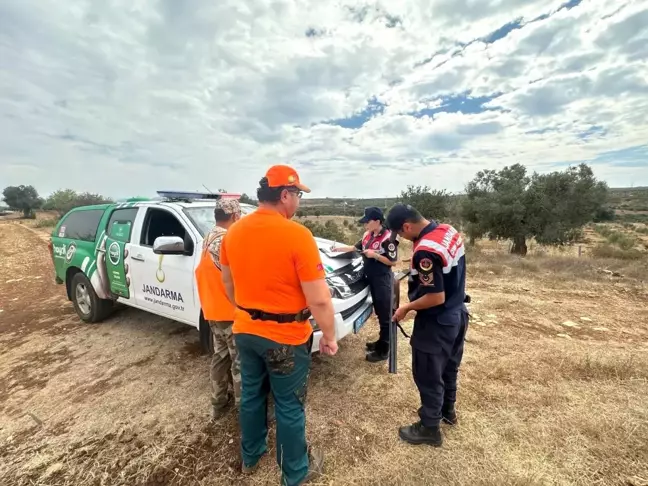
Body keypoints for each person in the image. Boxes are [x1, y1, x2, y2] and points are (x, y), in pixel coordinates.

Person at [220, 165, 338, 486]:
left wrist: (247, 311)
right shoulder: (297, 235)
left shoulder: (234, 233)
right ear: (284, 195)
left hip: (244, 329)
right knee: (289, 405)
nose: (299, 200)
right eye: (297, 194)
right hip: (286, 337)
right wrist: (329, 335)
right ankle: (295, 472)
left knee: (252, 395)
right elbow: (320, 300)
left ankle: (251, 455)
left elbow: (228, 285)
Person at [386, 203, 469, 447]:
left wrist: (406, 308)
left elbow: (435, 296)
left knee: (428, 374)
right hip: (458, 315)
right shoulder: (447, 231)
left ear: (407, 226)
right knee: (448, 368)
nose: (401, 238)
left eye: (401, 234)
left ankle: (429, 428)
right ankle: (447, 412)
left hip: (437, 322)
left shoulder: (425, 251)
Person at [195, 198, 242, 421]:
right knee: (240, 363)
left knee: (220, 357)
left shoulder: (208, 237)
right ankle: (246, 411)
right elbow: (236, 278)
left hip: (212, 310)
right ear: (234, 216)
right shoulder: (227, 240)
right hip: (229, 312)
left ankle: (218, 403)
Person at [330, 206, 398, 362]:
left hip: (382, 280)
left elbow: (393, 262)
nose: (365, 224)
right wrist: (336, 249)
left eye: (367, 221)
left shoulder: (388, 238)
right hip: (370, 279)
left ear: (377, 221)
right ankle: (380, 342)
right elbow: (354, 248)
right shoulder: (368, 235)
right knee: (379, 312)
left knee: (384, 315)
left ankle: (384, 350)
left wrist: (375, 255)